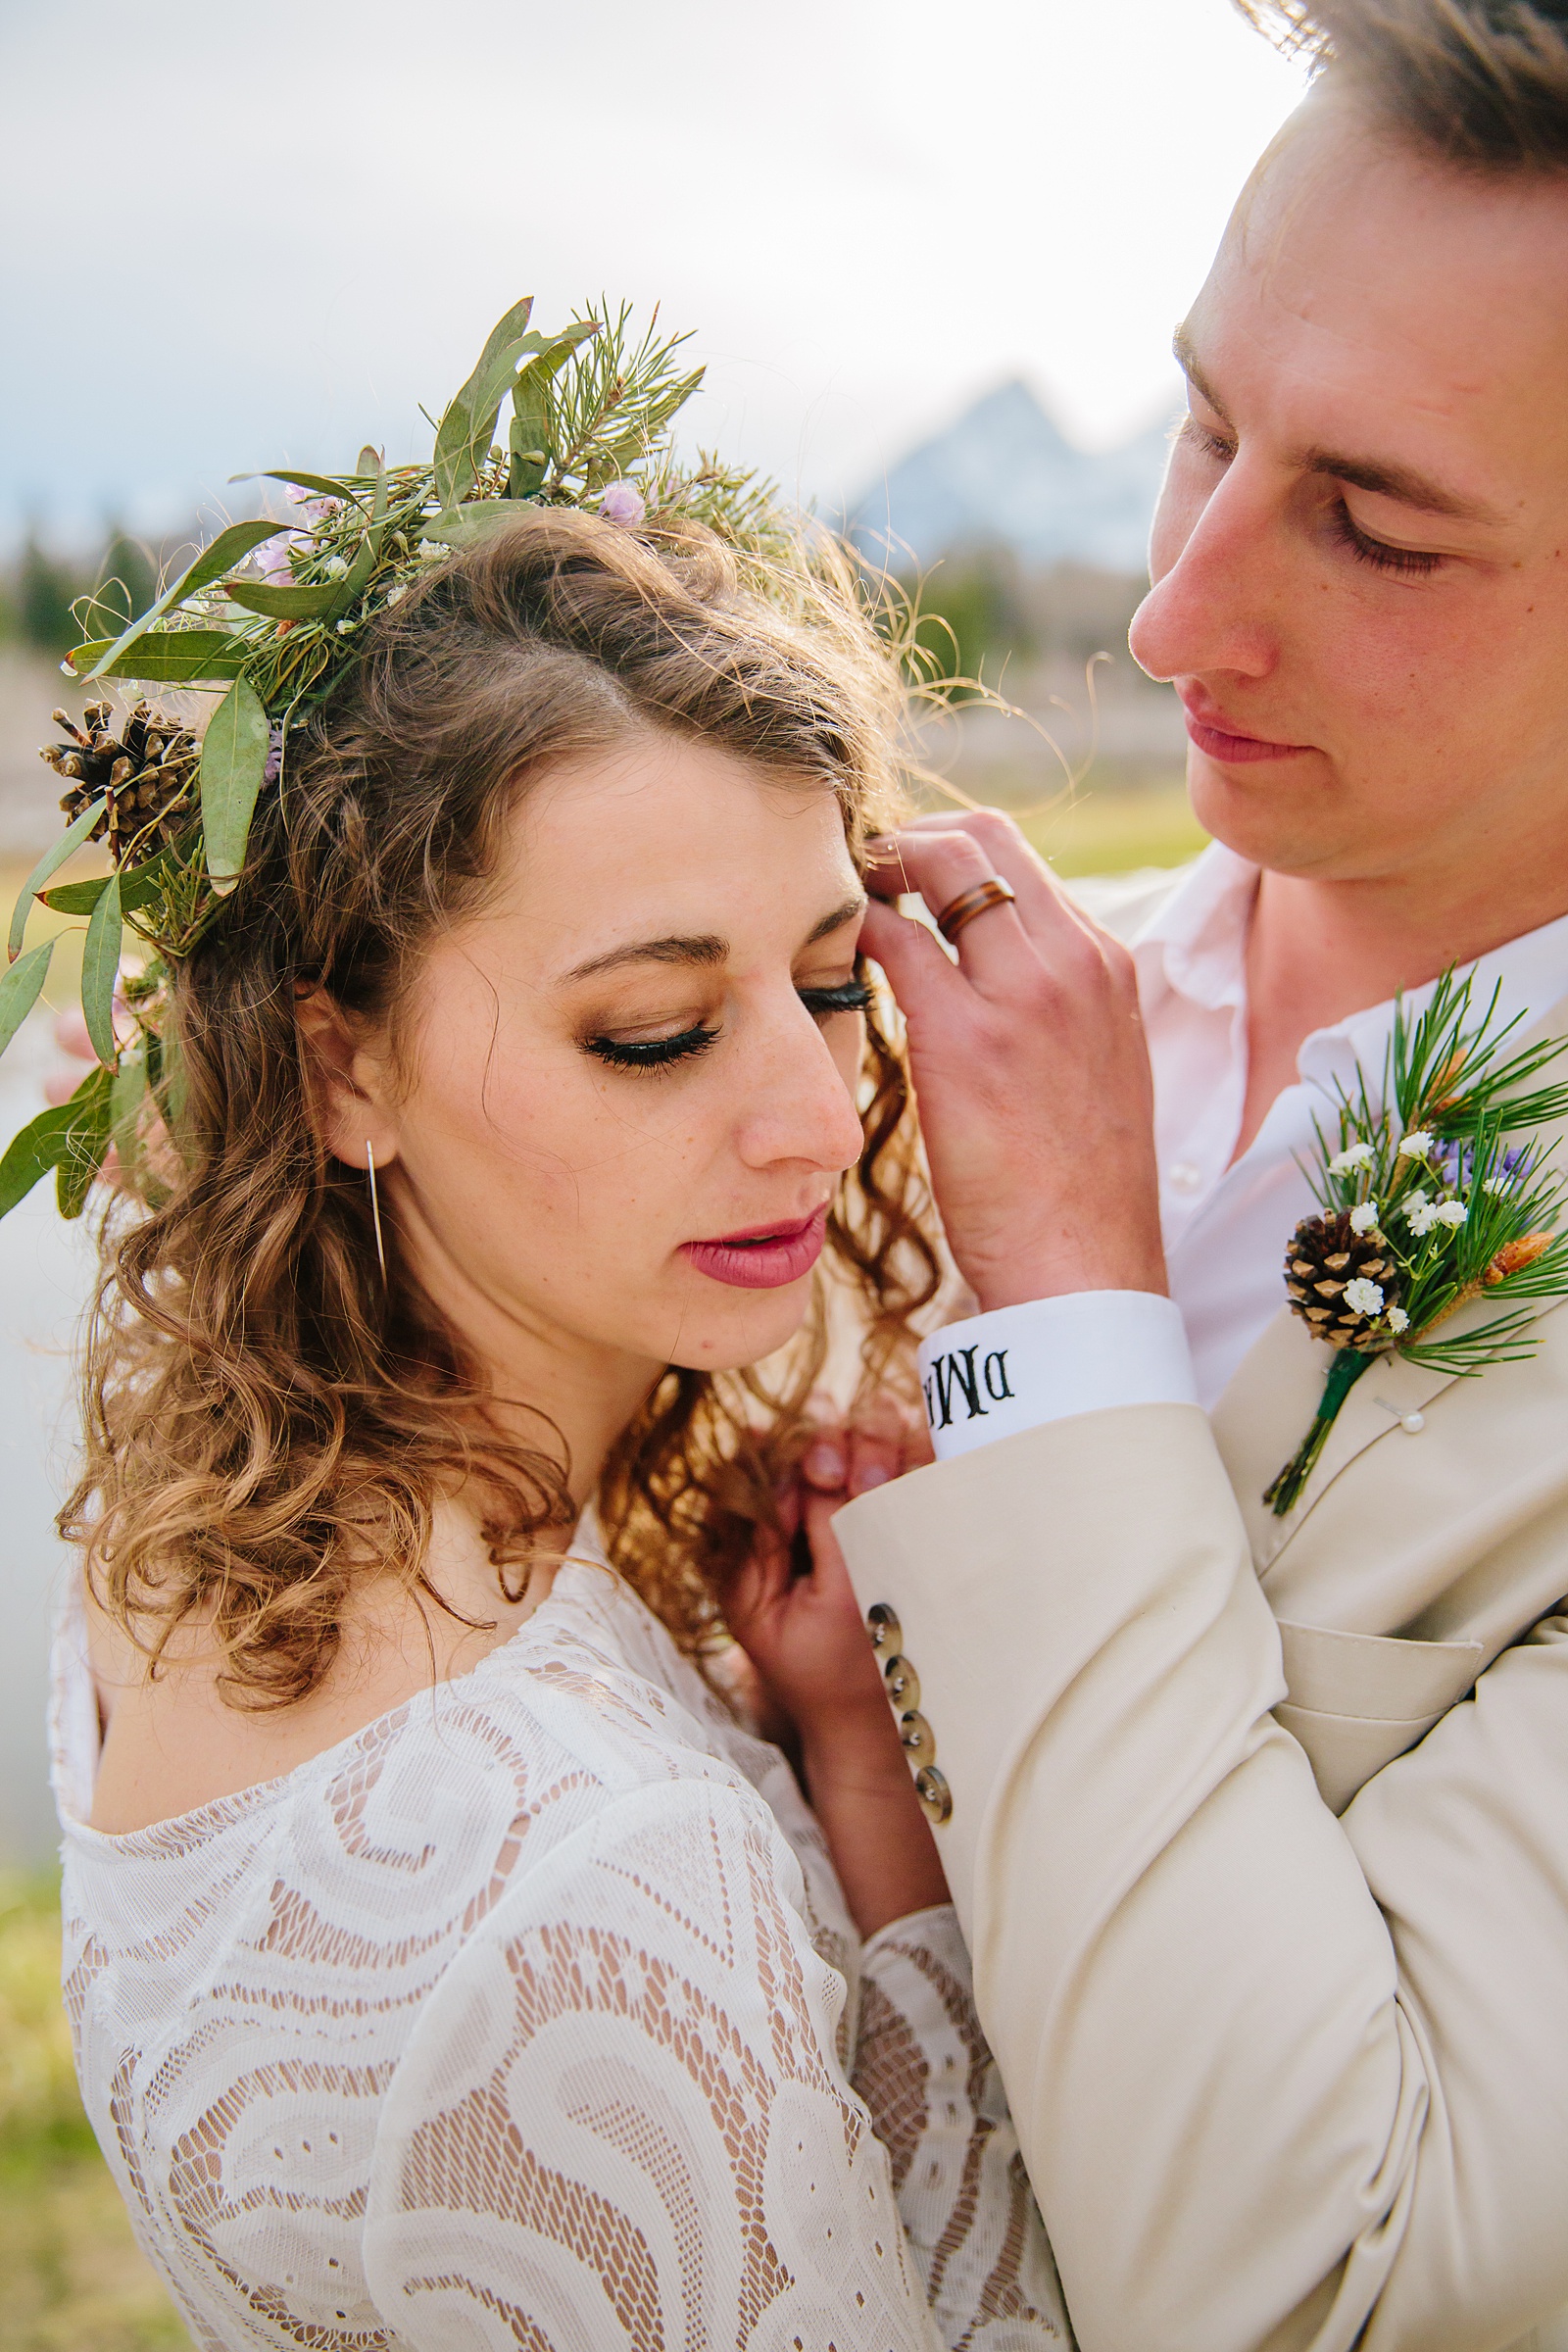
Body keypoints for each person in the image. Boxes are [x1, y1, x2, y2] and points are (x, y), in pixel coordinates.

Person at [739, 6, 1568, 2349]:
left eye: (1375, 527)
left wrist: (1072, 1317)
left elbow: (1323, 2275)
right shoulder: (915, 1027)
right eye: (1202, 425)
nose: (1168, 614)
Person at [49, 509, 1069, 2348]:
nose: (820, 1126)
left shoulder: (193, 1533)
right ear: (340, 1068)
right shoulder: (585, 1886)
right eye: (659, 1031)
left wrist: (840, 1747)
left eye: (833, 988)